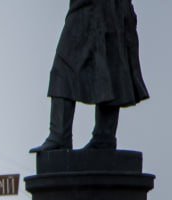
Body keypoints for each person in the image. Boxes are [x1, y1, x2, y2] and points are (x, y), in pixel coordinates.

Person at [32, 0, 148, 152]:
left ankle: (65, 136)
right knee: (110, 65)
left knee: (66, 66)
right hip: (105, 7)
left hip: (96, 8)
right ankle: (101, 136)